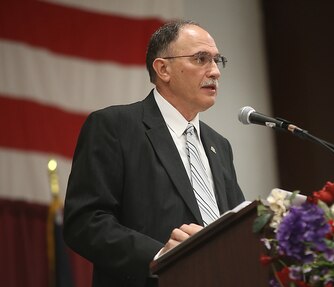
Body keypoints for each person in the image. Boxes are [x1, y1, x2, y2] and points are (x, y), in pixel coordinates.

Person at [63, 20, 245, 287]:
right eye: (201, 59)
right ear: (163, 69)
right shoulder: (115, 126)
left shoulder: (220, 145)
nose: (215, 72)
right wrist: (159, 256)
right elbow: (85, 222)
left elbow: (235, 228)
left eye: (217, 60)